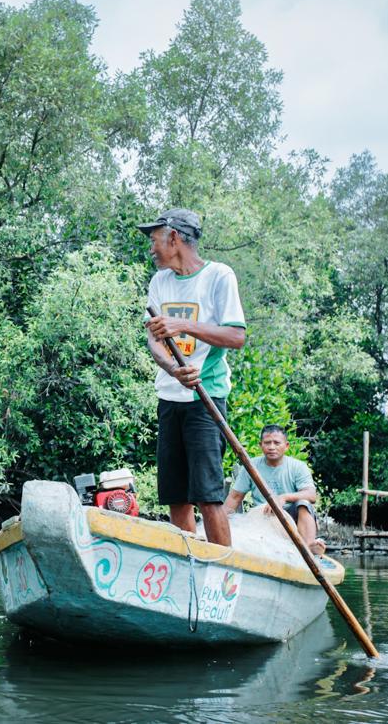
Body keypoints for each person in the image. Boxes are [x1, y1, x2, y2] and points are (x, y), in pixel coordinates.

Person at [140, 208, 246, 547]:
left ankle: (224, 573)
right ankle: (189, 567)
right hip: (170, 398)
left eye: (155, 240)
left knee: (208, 495)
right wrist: (173, 369)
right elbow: (154, 341)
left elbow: (235, 336)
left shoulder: (218, 276)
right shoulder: (159, 282)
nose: (152, 248)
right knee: (177, 497)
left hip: (205, 397)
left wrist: (182, 324)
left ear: (174, 238)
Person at [224, 425, 326, 555]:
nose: (272, 447)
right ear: (261, 445)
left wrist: (282, 498)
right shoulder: (251, 466)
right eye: (267, 443)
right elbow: (234, 498)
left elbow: (311, 495)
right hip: (263, 517)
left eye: (277, 443)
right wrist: (217, 522)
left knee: (304, 503)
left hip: (292, 519)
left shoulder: (298, 466)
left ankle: (308, 547)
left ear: (286, 445)